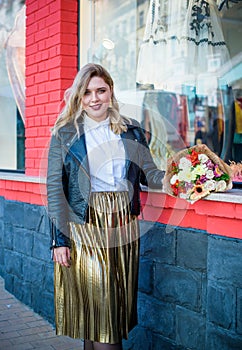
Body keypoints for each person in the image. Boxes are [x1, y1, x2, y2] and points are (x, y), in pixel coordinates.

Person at [47, 63, 165, 350]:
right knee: (102, 311)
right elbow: (55, 188)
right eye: (87, 93)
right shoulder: (65, 133)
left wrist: (187, 176)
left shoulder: (132, 130)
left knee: (102, 313)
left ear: (111, 91)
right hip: (84, 225)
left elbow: (151, 175)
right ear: (78, 96)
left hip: (123, 223)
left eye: (101, 90)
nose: (95, 98)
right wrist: (58, 240)